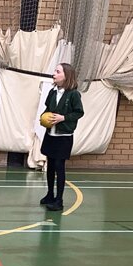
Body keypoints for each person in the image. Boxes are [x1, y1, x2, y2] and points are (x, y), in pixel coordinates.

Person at [39, 63, 84, 212]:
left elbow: (79, 112)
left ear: (66, 76)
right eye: (55, 71)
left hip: (63, 137)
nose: (54, 74)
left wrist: (63, 118)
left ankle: (59, 200)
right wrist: (43, 117)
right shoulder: (52, 92)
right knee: (50, 166)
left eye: (58, 72)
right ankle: (50, 195)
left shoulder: (74, 94)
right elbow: (48, 109)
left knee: (59, 167)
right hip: (50, 134)